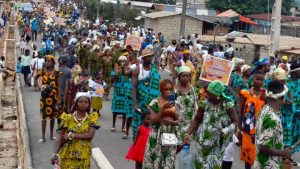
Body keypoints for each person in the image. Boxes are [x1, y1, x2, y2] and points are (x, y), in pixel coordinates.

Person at [184, 81, 238, 169]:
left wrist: (226, 130)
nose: (206, 95)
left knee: (214, 165)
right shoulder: (204, 103)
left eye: (209, 94)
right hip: (202, 142)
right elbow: (196, 120)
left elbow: (235, 122)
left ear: (217, 95)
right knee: (199, 165)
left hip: (217, 144)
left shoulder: (227, 105)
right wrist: (188, 133)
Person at [51, 92, 100, 168]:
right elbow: (61, 137)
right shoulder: (67, 118)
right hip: (68, 154)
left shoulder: (92, 118)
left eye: (86, 102)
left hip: (83, 156)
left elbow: (90, 135)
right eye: (81, 102)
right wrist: (55, 153)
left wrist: (72, 135)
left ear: (89, 104)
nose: (83, 104)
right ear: (76, 103)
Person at [254, 80, 291, 169]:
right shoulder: (273, 119)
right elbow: (263, 147)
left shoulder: (263, 110)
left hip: (260, 162)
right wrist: (282, 152)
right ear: (281, 98)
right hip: (269, 165)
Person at [143, 79, 179, 169]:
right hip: (156, 135)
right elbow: (153, 120)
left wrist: (171, 122)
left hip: (170, 136)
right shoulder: (155, 102)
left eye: (170, 89)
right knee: (154, 160)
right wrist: (162, 108)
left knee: (168, 162)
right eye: (165, 89)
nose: (168, 92)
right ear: (161, 90)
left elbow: (179, 121)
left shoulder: (175, 103)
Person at [239, 71, 266, 169]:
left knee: (259, 155)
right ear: (252, 80)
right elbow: (241, 111)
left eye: (261, 80)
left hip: (260, 128)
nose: (259, 82)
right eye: (257, 79)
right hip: (247, 129)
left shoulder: (265, 95)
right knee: (248, 155)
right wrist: (239, 129)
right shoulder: (246, 93)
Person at [132, 48, 161, 139]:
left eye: (151, 56)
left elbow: (158, 85)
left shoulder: (154, 69)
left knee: (152, 128)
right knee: (138, 127)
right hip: (141, 103)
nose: (150, 58)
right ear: (143, 58)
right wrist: (135, 104)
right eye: (147, 57)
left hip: (153, 105)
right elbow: (134, 87)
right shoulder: (137, 70)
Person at [37, 55, 62, 143]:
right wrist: (40, 85)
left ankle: (51, 135)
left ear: (53, 62)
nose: (47, 62)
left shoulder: (57, 73)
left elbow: (59, 86)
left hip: (54, 98)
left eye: (48, 61)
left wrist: (59, 99)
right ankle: (43, 137)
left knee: (53, 117)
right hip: (44, 98)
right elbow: (37, 79)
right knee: (44, 117)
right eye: (46, 61)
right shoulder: (42, 72)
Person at [110, 56, 133, 139]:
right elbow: (111, 81)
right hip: (117, 91)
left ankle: (123, 127)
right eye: (121, 61)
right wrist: (116, 74)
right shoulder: (116, 70)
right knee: (115, 111)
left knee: (124, 111)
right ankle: (113, 125)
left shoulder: (129, 70)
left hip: (126, 92)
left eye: (124, 61)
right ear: (119, 62)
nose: (122, 62)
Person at [174, 66, 198, 145]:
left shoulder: (192, 89)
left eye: (187, 76)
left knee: (187, 142)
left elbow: (197, 102)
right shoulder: (175, 89)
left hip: (190, 120)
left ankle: (184, 157)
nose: (185, 78)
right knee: (179, 143)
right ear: (179, 77)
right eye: (183, 76)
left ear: (190, 77)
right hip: (179, 120)